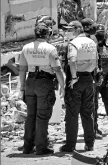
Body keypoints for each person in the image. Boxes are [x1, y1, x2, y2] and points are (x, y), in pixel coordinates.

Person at [18, 23, 65, 155]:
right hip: (44, 83)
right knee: (42, 116)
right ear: (48, 34)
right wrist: (63, 85)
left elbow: (22, 69)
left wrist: (22, 87)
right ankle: (41, 147)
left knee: (31, 115)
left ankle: (27, 146)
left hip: (30, 82)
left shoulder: (26, 48)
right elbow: (57, 69)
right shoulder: (50, 48)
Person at [60, 21, 98, 152]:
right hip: (89, 78)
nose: (67, 32)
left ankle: (70, 145)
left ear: (77, 29)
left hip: (76, 80)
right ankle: (90, 143)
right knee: (87, 113)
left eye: (70, 29)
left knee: (72, 113)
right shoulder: (92, 42)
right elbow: (96, 61)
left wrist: (74, 77)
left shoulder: (73, 44)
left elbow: (72, 60)